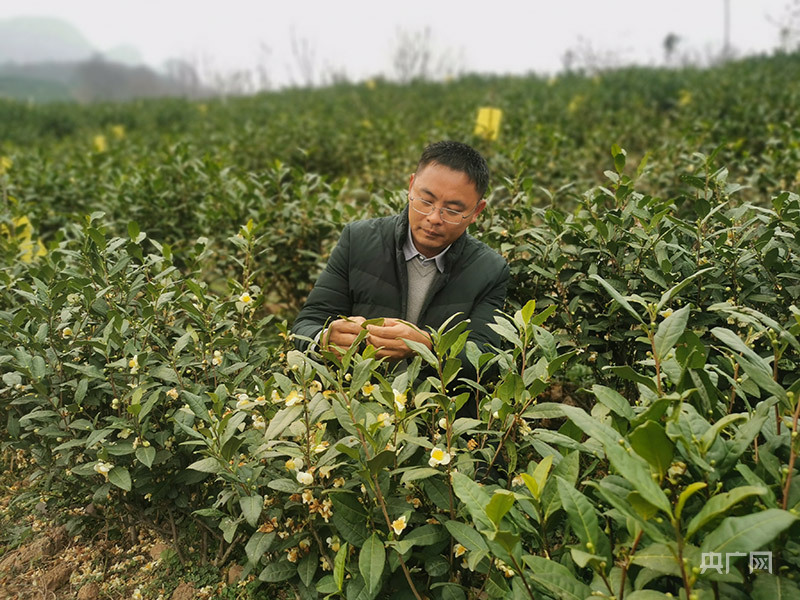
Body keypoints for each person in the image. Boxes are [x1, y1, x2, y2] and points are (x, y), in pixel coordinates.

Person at [291, 140, 509, 377]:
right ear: (411, 185)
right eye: (426, 201)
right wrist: (323, 339)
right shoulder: (358, 240)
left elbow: (486, 358)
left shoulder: (489, 270)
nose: (434, 218)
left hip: (435, 409)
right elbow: (306, 325)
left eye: (453, 210)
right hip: (356, 403)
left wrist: (426, 346)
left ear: (477, 211)